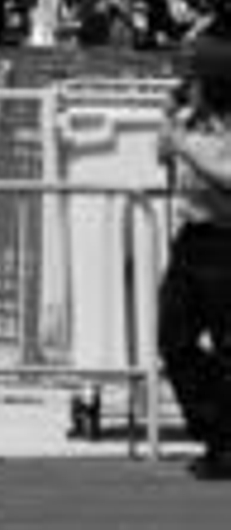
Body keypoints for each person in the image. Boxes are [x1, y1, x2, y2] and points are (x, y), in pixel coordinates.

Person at [157, 32, 231, 480]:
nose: (188, 84)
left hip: (228, 241)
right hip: (192, 238)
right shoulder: (190, 121)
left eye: (195, 77)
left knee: (229, 348)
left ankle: (224, 444)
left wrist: (184, 145)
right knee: (175, 340)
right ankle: (216, 428)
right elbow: (165, 160)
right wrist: (170, 128)